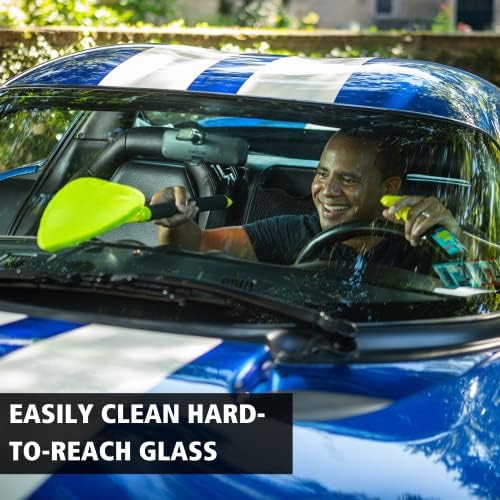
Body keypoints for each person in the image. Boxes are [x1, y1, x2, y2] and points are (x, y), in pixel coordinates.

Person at [150, 130, 462, 268]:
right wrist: (173, 221)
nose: (327, 190)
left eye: (348, 179)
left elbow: (482, 279)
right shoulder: (291, 232)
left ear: (388, 186)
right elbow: (196, 246)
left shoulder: (425, 244)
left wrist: (456, 238)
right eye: (322, 174)